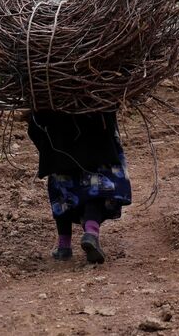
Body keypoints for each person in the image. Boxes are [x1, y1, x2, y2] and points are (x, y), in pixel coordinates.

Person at [28, 110, 131, 263]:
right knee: (96, 189)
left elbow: (35, 126)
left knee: (63, 191)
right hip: (97, 137)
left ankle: (64, 246)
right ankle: (91, 233)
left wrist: (47, 147)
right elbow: (110, 111)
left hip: (58, 141)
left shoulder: (45, 102)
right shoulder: (96, 100)